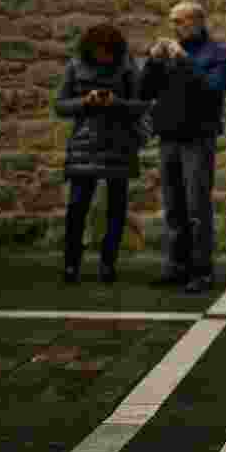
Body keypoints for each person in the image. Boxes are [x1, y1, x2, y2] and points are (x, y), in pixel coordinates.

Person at [139, 1, 226, 294]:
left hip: (198, 138)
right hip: (169, 136)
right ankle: (177, 267)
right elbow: (144, 91)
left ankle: (202, 271)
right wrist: (153, 62)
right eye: (172, 21)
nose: (174, 27)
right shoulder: (167, 55)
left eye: (180, 21)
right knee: (173, 207)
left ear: (197, 22)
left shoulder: (219, 54)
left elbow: (213, 90)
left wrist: (185, 61)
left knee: (196, 207)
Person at [55, 23, 150, 284]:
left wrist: (116, 103)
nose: (103, 57)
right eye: (99, 52)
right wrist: (85, 101)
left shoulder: (128, 67)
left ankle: (108, 264)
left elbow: (142, 104)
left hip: (120, 143)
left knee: (116, 209)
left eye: (108, 52)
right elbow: (60, 105)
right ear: (90, 49)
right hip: (84, 144)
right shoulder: (75, 66)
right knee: (77, 207)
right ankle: (71, 264)